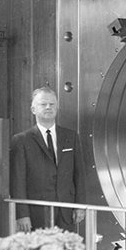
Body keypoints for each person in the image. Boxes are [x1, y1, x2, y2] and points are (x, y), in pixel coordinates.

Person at [10, 86, 86, 232]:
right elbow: (17, 181)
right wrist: (22, 214)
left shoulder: (71, 137)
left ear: (57, 108)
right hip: (37, 213)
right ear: (33, 109)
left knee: (67, 246)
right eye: (43, 104)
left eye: (52, 104)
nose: (48, 107)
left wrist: (80, 206)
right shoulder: (21, 140)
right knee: (40, 247)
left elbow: (79, 174)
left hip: (67, 211)